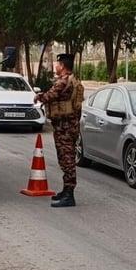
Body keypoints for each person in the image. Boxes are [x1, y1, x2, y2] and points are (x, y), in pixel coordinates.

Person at [34, 53, 84, 208]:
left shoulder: (63, 82)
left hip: (65, 128)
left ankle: (69, 195)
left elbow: (51, 95)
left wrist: (39, 97)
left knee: (67, 160)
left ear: (62, 66)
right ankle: (66, 190)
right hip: (69, 126)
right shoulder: (74, 80)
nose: (56, 66)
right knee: (65, 158)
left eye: (58, 64)